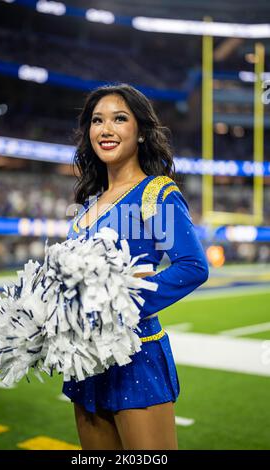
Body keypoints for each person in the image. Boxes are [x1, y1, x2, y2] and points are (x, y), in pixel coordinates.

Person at [63, 83, 209, 450]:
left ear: (141, 132)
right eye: (97, 120)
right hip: (87, 362)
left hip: (136, 354)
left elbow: (192, 266)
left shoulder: (154, 193)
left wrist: (119, 306)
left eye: (119, 119)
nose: (106, 129)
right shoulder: (86, 206)